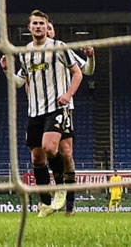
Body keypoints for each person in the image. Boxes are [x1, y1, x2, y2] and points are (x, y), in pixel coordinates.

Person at [0, 10, 86, 217]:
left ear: (47, 27)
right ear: (29, 28)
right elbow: (19, 82)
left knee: (53, 148)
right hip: (35, 111)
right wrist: (6, 70)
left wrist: (68, 94)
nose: (38, 26)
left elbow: (78, 73)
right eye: (35, 23)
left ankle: (63, 192)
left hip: (57, 108)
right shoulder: (25, 53)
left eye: (42, 23)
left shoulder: (59, 47)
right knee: (37, 158)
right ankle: (45, 203)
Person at [46, 20, 94, 216]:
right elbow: (23, 80)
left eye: (49, 27)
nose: (46, 30)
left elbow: (87, 71)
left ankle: (69, 205)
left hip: (63, 108)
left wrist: (91, 58)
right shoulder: (31, 54)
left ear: (54, 32)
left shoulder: (63, 50)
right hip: (40, 111)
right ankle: (55, 191)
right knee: (46, 151)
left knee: (66, 154)